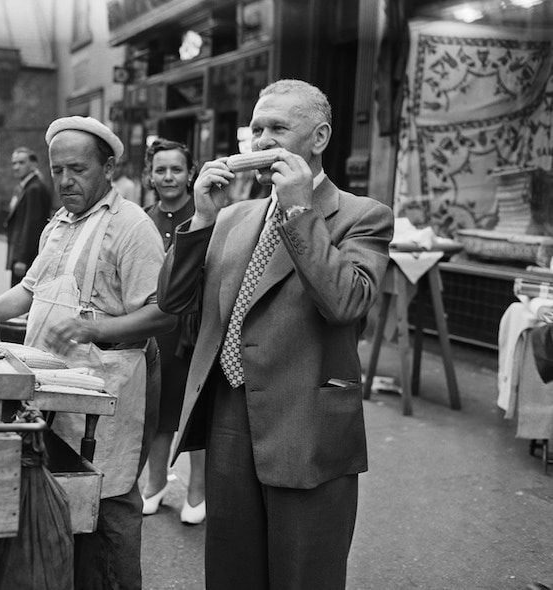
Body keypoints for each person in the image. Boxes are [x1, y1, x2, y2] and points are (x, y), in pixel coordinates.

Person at [157, 79, 394, 589]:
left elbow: (346, 302)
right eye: (256, 129)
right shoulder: (232, 217)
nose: (261, 141)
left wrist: (298, 209)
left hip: (305, 425)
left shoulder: (362, 216)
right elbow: (173, 302)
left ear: (319, 137)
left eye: (278, 129)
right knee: (231, 572)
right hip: (227, 416)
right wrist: (200, 218)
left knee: (302, 575)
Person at [0, 115, 174, 590]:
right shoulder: (59, 225)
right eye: (58, 169)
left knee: (110, 504)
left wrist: (93, 328)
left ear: (107, 168)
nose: (65, 180)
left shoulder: (132, 227)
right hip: (55, 384)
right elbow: (26, 292)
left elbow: (162, 313)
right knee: (66, 499)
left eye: (78, 169)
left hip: (110, 384)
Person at [141, 138, 206, 524]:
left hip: (197, 326)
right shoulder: (142, 217)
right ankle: (155, 483)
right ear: (151, 174)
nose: (168, 176)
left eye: (176, 169)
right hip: (156, 327)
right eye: (161, 169)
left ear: (190, 173)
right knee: (158, 409)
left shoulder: (206, 213)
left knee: (194, 410)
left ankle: (197, 491)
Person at [5, 147, 53, 287]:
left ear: (33, 164)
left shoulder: (34, 189)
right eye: (14, 163)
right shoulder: (26, 186)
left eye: (21, 163)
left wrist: (22, 258)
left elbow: (32, 225)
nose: (16, 167)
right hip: (21, 253)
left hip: (26, 257)